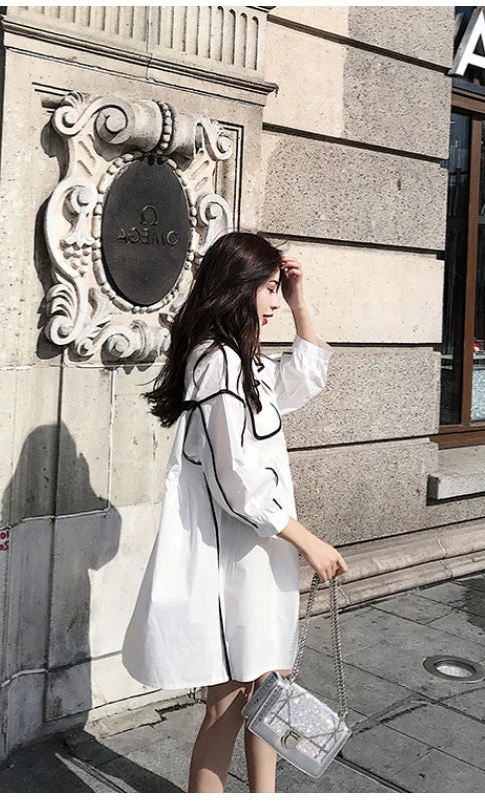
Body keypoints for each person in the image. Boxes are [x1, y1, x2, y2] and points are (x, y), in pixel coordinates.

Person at [121, 232, 349, 793]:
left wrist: (299, 300)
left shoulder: (243, 361)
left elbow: (305, 378)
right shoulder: (216, 363)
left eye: (275, 290)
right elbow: (236, 483)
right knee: (229, 703)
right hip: (234, 564)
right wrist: (308, 541)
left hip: (261, 558)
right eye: (267, 290)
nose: (274, 303)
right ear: (237, 287)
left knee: (269, 690)